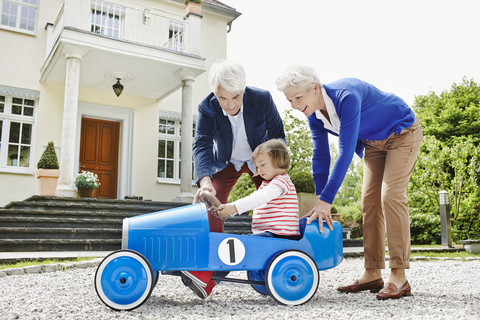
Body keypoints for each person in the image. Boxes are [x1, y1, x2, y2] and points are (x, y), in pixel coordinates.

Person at [275, 66, 422, 300]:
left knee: (390, 196)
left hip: (402, 132)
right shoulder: (314, 115)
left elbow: (344, 151)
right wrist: (320, 201)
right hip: (374, 143)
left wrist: (327, 200)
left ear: (315, 87)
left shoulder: (346, 97)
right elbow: (321, 157)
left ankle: (399, 275)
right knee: (369, 203)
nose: (294, 105)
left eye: (298, 98)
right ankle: (372, 272)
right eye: (290, 100)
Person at [182, 60, 286, 298]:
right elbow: (202, 145)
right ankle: (207, 277)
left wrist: (277, 172)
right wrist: (205, 180)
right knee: (207, 202)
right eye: (223, 98)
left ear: (244, 89)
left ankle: (274, 265)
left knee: (274, 203)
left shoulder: (262, 99)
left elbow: (279, 137)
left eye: (236, 97)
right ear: (215, 94)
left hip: (260, 161)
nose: (229, 105)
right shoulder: (207, 107)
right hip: (226, 162)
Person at [183, 139, 300, 299]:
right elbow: (256, 196)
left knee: (235, 247)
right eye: (257, 166)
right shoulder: (268, 183)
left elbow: (259, 198)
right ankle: (207, 281)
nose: (258, 170)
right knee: (234, 247)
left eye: (262, 165)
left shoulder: (280, 183)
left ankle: (205, 278)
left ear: (278, 160)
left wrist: (233, 207)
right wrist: (228, 210)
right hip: (270, 236)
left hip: (278, 236)